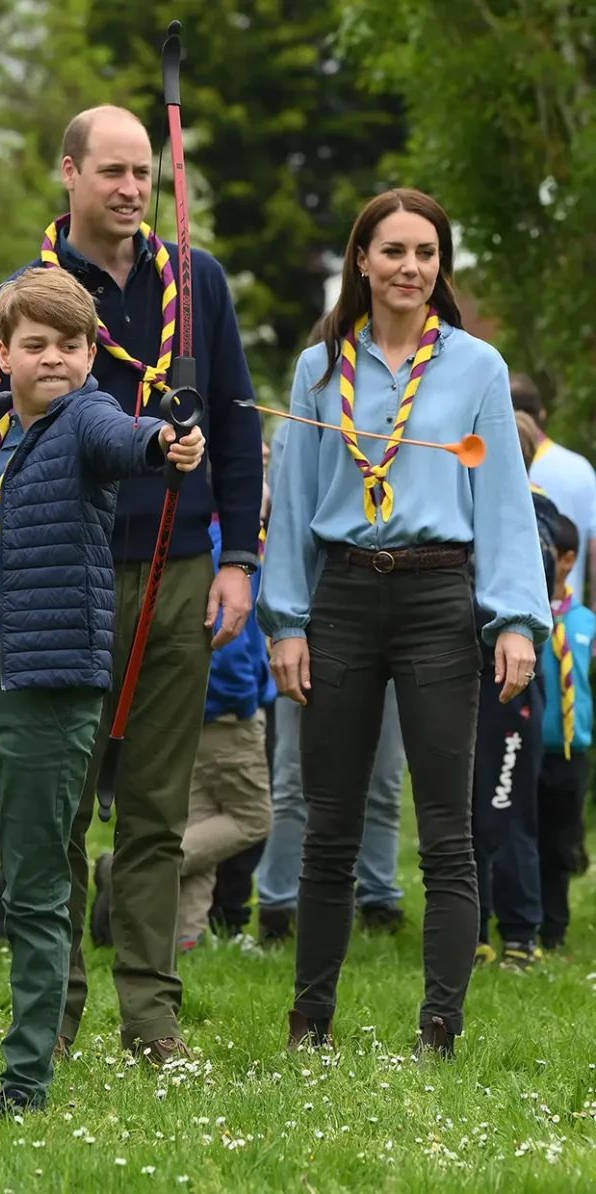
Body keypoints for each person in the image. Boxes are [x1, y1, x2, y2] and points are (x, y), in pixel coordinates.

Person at [0, 104, 262, 1062]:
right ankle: (49, 1016)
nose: (133, 189)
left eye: (145, 172)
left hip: (180, 568)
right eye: (113, 171)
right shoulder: (25, 295)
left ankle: (152, 1021)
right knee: (56, 807)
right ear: (69, 172)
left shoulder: (197, 278)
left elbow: (235, 419)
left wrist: (238, 560)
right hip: (66, 574)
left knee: (156, 806)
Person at [0, 267, 205, 1115]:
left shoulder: (87, 418)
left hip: (50, 688)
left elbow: (131, 442)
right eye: (36, 345)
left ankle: (26, 1078)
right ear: (4, 354)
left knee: (31, 891)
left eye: (71, 345)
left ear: (93, 353)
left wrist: (169, 442)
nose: (55, 359)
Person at [257, 188, 551, 1059]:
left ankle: (440, 1030)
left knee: (446, 833)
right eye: (393, 251)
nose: (410, 268)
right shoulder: (318, 370)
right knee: (328, 825)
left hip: (436, 599)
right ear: (361, 261)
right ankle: (310, 1023)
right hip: (343, 598)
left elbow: (500, 501)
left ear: (441, 267)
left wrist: (515, 622)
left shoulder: (477, 369)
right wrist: (287, 622)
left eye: (426, 253)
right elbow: (296, 506)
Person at [257, 404, 407, 945]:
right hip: (311, 623)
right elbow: (286, 535)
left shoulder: (404, 431)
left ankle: (379, 897)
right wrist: (285, 626)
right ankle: (276, 904)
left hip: (397, 618)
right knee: (295, 777)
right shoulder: (305, 425)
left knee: (386, 778)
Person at [472, 410, 558, 971]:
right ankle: (474, 931)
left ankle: (521, 934)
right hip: (463, 678)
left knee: (507, 809)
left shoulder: (536, 522)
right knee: (468, 811)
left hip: (510, 687)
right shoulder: (476, 512)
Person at [177, 511, 276, 951]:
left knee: (200, 818)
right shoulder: (231, 549)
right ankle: (129, 868)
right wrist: (241, 701)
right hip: (226, 711)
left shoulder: (194, 533)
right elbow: (230, 638)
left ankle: (186, 937)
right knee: (252, 818)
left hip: (188, 708)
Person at [538, 515, 595, 950]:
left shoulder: (586, 624)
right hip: (528, 747)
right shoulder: (529, 622)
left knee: (561, 842)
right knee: (521, 834)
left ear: (568, 559)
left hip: (573, 751)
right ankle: (518, 919)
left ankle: (554, 931)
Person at [510, 373, 596, 609]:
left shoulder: (486, 467)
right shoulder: (579, 469)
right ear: (542, 413)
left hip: (502, 621)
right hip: (566, 618)